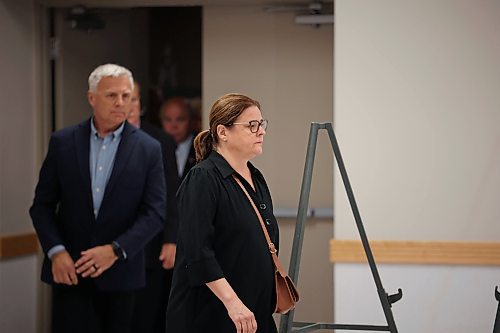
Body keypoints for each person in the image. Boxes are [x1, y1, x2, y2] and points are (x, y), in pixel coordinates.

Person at [29, 64, 165, 333]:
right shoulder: (63, 141)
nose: (121, 103)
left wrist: (115, 250)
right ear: (92, 97)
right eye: (111, 95)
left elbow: (155, 212)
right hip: (70, 271)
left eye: (127, 96)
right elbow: (41, 207)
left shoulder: (148, 148)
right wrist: (56, 252)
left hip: (121, 273)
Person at [165, 93, 278, 333]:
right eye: (252, 125)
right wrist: (233, 302)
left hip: (253, 313)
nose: (261, 132)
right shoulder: (202, 178)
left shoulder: (256, 176)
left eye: (262, 124)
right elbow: (197, 251)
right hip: (215, 314)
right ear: (223, 132)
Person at [127, 81, 180, 333]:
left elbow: (171, 192)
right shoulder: (96, 140)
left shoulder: (160, 141)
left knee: (148, 318)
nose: (128, 106)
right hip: (107, 247)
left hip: (151, 245)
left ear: (142, 105)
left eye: (134, 99)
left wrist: (172, 239)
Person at [160, 97, 197, 180]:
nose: (174, 126)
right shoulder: (154, 149)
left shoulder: (203, 148)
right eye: (168, 120)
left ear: (191, 121)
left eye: (180, 120)